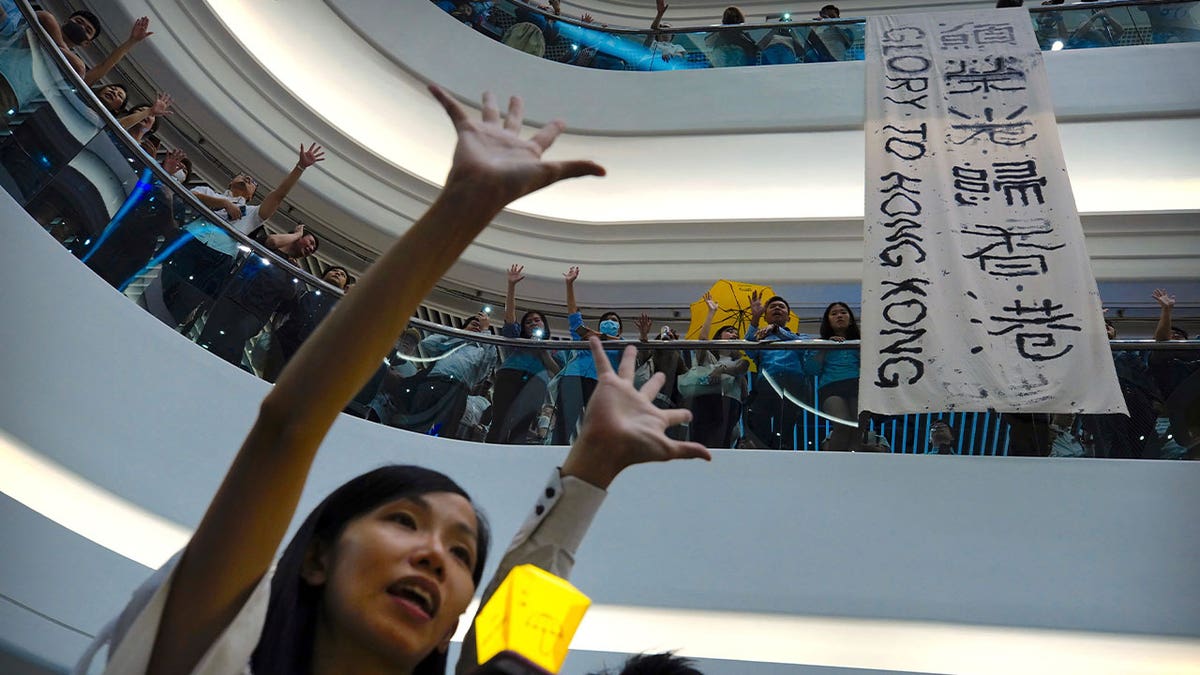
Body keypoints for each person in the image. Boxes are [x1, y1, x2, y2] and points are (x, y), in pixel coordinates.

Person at [78, 86, 707, 675]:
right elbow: (289, 430)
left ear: (454, 624)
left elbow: (514, 638)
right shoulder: (213, 645)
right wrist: (460, 212)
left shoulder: (476, 638)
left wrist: (591, 468)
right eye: (404, 521)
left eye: (462, 555)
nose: (435, 553)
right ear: (319, 555)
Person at [160, 143, 325, 325]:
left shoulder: (253, 213)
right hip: (190, 239)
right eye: (243, 176)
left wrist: (300, 167)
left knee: (185, 301)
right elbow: (191, 196)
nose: (247, 178)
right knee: (163, 285)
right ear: (231, 182)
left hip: (219, 256)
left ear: (253, 196)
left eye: (253, 182)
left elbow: (278, 196)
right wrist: (224, 203)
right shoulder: (209, 192)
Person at [195, 227, 321, 367]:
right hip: (233, 297)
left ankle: (229, 369)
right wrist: (297, 233)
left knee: (236, 336)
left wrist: (293, 273)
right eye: (310, 242)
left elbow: (288, 296)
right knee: (210, 333)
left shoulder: (294, 271)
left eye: (313, 248)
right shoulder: (267, 245)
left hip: (256, 313)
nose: (310, 248)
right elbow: (272, 241)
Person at [487, 264, 564, 444]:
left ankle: (512, 456)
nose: (532, 323)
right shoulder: (516, 339)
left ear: (544, 325)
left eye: (537, 320)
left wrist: (544, 352)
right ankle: (491, 451)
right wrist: (511, 286)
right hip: (510, 375)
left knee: (523, 423)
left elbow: (558, 371)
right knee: (500, 418)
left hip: (536, 381)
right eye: (528, 322)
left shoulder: (554, 347)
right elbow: (509, 317)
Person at [394, 311, 500, 439]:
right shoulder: (450, 344)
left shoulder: (481, 351)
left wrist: (485, 331)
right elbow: (428, 343)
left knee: (441, 427)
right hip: (432, 382)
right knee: (416, 416)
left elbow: (490, 360)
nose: (477, 327)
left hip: (457, 389)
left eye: (480, 326)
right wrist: (461, 334)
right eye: (473, 324)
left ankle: (428, 449)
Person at [556, 265, 626, 443]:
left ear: (619, 329)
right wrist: (569, 285)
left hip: (601, 383)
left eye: (614, 321)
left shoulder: (623, 344)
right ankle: (555, 456)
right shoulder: (583, 336)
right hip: (573, 375)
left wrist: (600, 336)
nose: (610, 322)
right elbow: (573, 315)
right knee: (564, 424)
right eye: (606, 320)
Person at [744, 290, 811, 449]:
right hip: (767, 384)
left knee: (785, 429)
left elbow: (805, 348)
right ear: (765, 316)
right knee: (762, 428)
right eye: (772, 307)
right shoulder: (760, 338)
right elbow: (748, 347)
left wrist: (776, 330)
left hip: (793, 386)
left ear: (788, 317)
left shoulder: (800, 337)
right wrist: (755, 318)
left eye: (781, 307)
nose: (777, 308)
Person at [686, 292, 750, 448]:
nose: (734, 334)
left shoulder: (741, 362)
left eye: (736, 333)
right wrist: (711, 313)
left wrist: (721, 371)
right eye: (729, 331)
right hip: (706, 406)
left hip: (731, 408)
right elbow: (702, 341)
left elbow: (744, 396)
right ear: (718, 336)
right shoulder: (708, 356)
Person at [805, 302, 861, 451]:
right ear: (828, 320)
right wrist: (826, 346)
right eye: (834, 313)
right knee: (842, 425)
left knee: (858, 429)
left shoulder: (861, 342)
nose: (839, 316)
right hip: (831, 385)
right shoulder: (820, 343)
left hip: (857, 385)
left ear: (850, 318)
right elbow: (811, 369)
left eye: (843, 312)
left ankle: (854, 466)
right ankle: (834, 465)